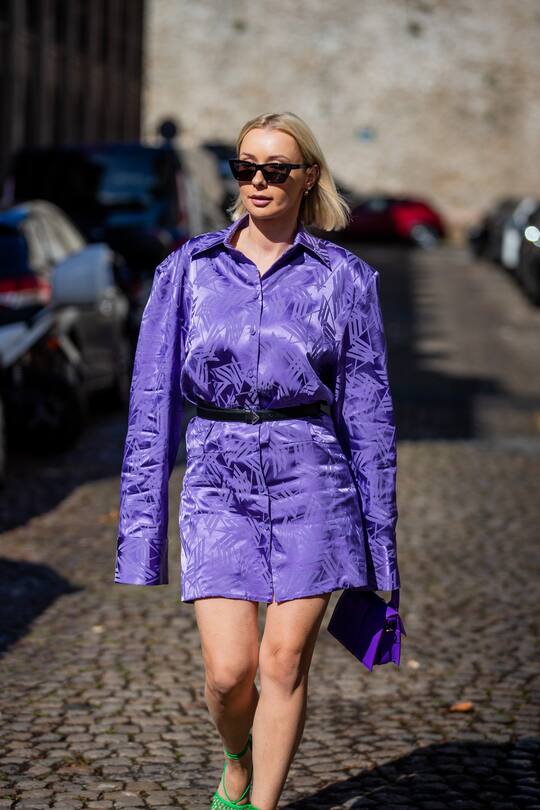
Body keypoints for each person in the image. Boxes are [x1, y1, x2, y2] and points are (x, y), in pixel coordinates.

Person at [114, 111, 401, 810]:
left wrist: (382, 554)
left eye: (276, 169)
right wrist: (140, 536)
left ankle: (261, 805)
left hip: (314, 479)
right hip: (217, 479)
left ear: (309, 177)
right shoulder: (188, 270)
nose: (259, 182)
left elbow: (369, 416)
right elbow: (151, 405)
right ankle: (236, 761)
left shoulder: (344, 279)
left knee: (283, 661)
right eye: (246, 168)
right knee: (228, 672)